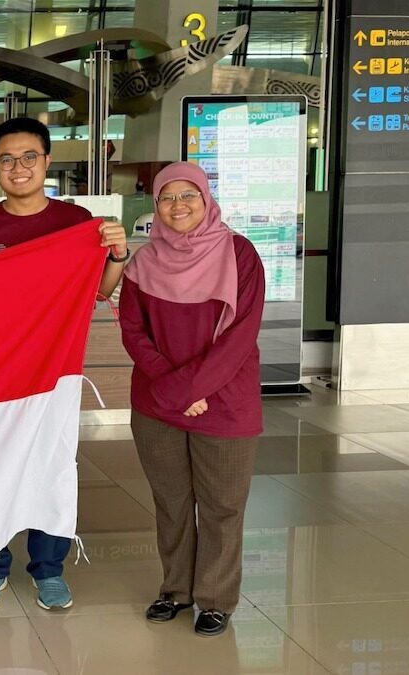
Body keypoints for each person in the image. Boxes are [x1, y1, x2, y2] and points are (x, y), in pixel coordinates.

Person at [0, 117, 129, 611]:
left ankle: (48, 569)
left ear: (47, 162)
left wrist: (117, 254)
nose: (19, 167)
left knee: (51, 463)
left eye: (29, 156)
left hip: (53, 369)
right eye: (7, 159)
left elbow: (99, 290)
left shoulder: (75, 222)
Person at [119, 162, 264, 637]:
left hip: (224, 400)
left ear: (206, 200)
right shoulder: (143, 261)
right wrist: (176, 390)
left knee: (222, 505)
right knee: (172, 501)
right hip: (159, 403)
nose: (178, 205)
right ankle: (176, 590)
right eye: (166, 197)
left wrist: (191, 391)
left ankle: (216, 599)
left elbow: (239, 337)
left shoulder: (239, 255)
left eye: (189, 196)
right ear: (155, 205)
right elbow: (134, 332)